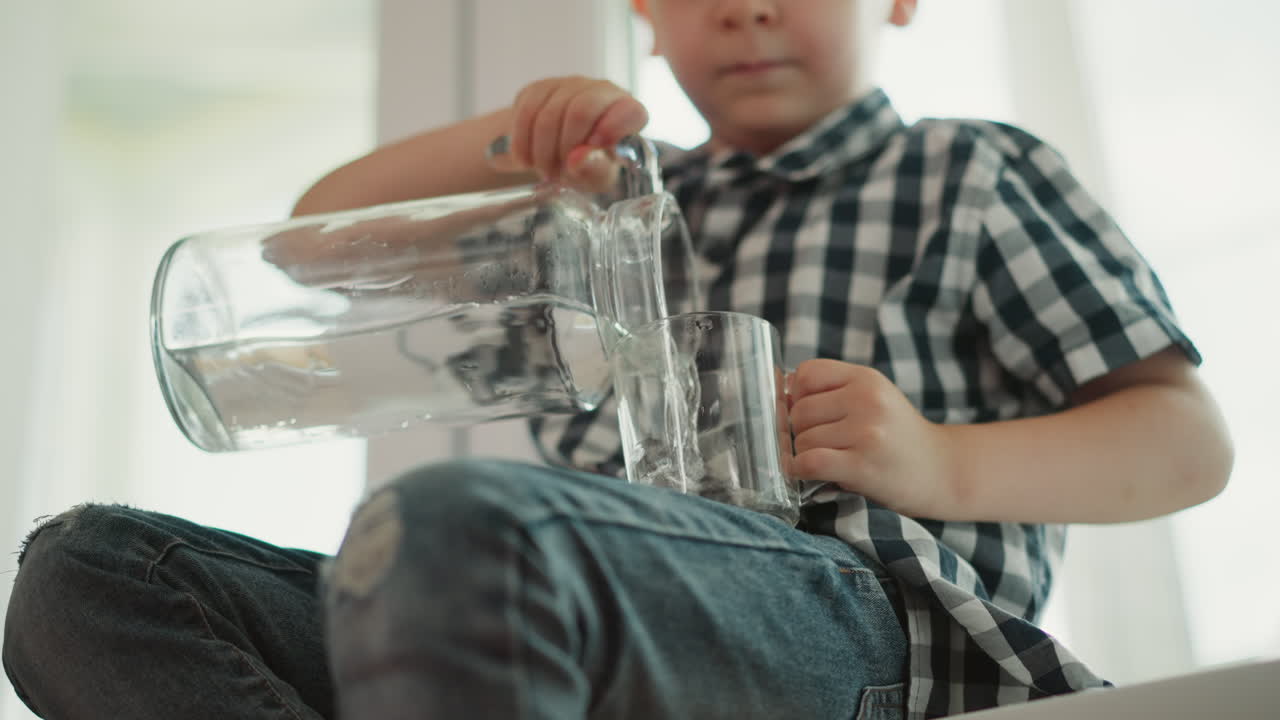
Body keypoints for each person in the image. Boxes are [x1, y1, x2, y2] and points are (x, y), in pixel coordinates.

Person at [3, 0, 1233, 718]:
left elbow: (1183, 441)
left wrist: (937, 463)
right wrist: (504, 141)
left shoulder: (967, 175)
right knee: (83, 578)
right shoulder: (601, 210)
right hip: (538, 616)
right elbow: (313, 252)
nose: (744, 5)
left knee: (457, 527)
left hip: (849, 623)